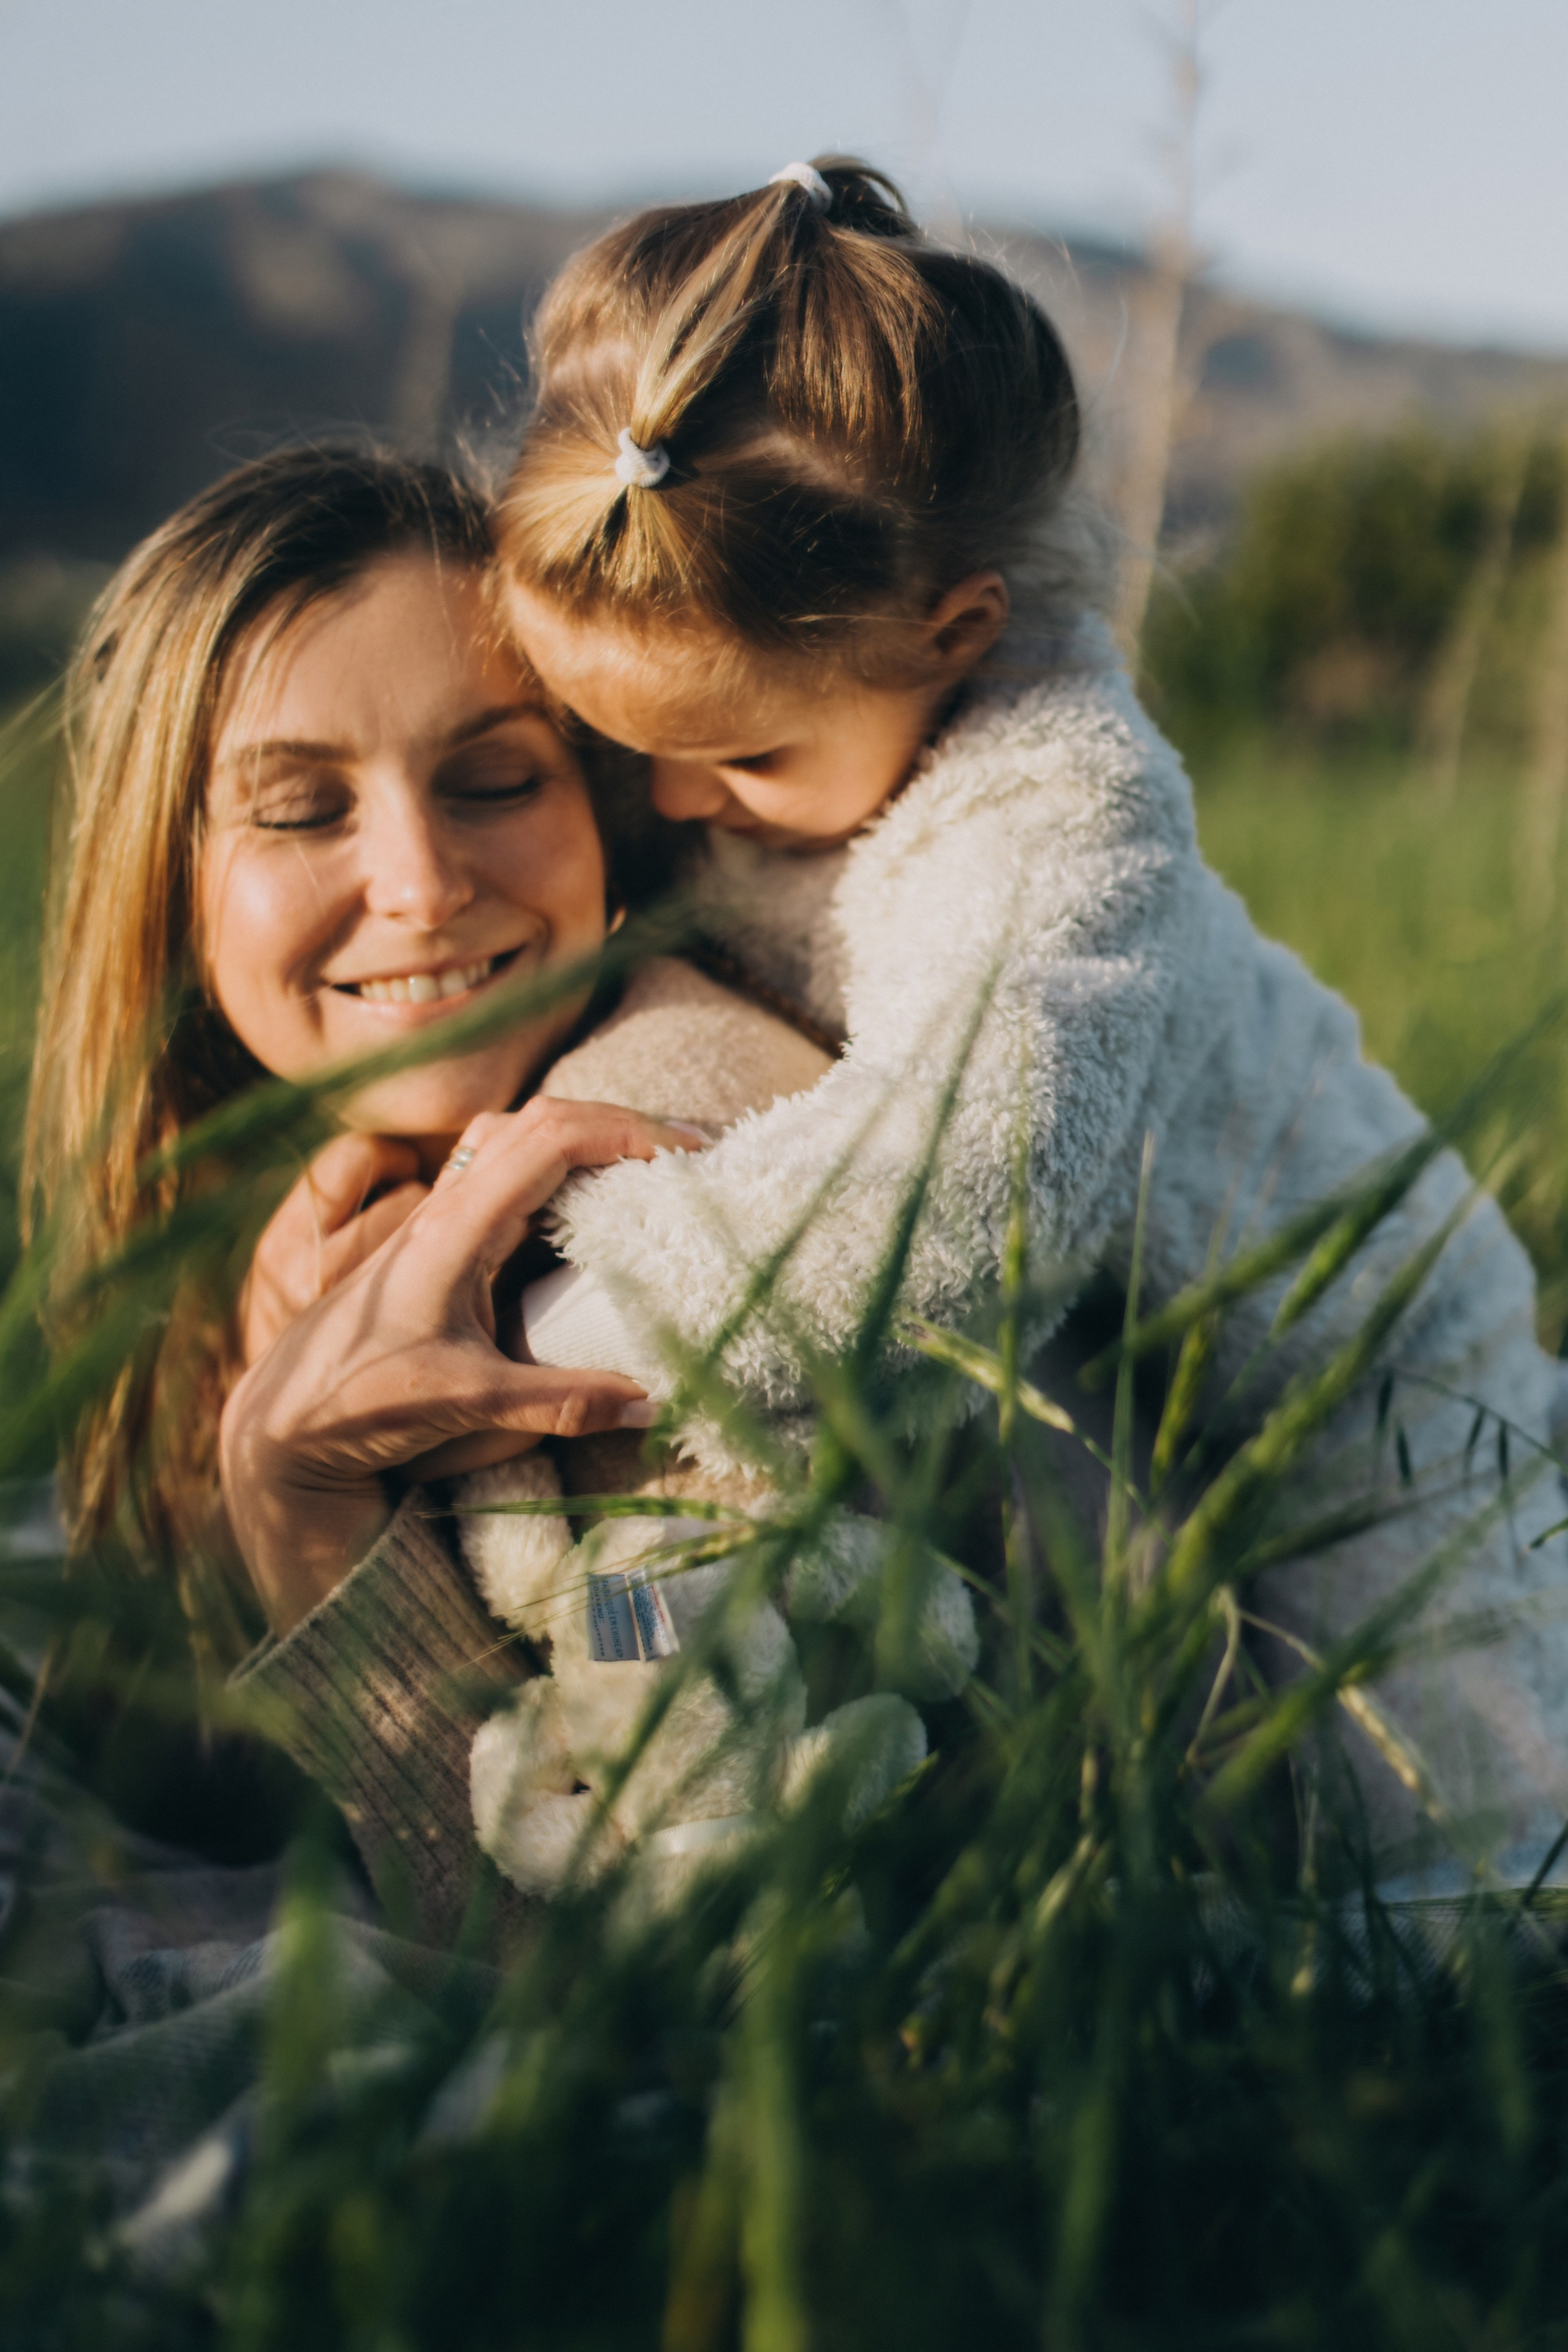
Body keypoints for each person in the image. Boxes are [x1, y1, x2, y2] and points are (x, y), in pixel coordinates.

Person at [487, 156, 1568, 1888]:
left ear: (956, 632)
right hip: (1112, 1380)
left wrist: (618, 1287)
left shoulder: (1059, 815)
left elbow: (968, 1196)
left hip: (1379, 1382)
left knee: (1466, 1870)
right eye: (619, 748)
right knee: (1170, 1785)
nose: (675, 803)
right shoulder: (752, 758)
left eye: (742, 753)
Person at [22, 442, 869, 1943]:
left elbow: (653, 1952)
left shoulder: (662, 1205)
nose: (418, 881)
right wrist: (230, 1471)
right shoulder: (277, 1198)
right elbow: (150, 1793)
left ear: (606, 809)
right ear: (170, 885)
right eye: (299, 810)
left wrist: (306, 1512)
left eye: (492, 779)